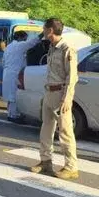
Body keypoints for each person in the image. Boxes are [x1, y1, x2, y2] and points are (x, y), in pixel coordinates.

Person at [32, 18, 79, 179]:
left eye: (44, 29)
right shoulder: (52, 47)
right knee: (46, 128)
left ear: (50, 30)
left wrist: (67, 98)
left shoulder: (67, 49)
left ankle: (71, 166)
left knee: (65, 131)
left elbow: (72, 77)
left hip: (61, 94)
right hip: (49, 92)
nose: (43, 32)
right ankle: (45, 161)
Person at [2, 31, 42, 122]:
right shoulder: (19, 46)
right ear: (20, 37)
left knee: (10, 95)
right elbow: (32, 43)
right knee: (14, 95)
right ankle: (12, 116)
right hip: (14, 74)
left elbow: (3, 61)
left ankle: (11, 113)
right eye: (24, 38)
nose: (25, 40)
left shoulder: (8, 47)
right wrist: (43, 34)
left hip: (7, 73)